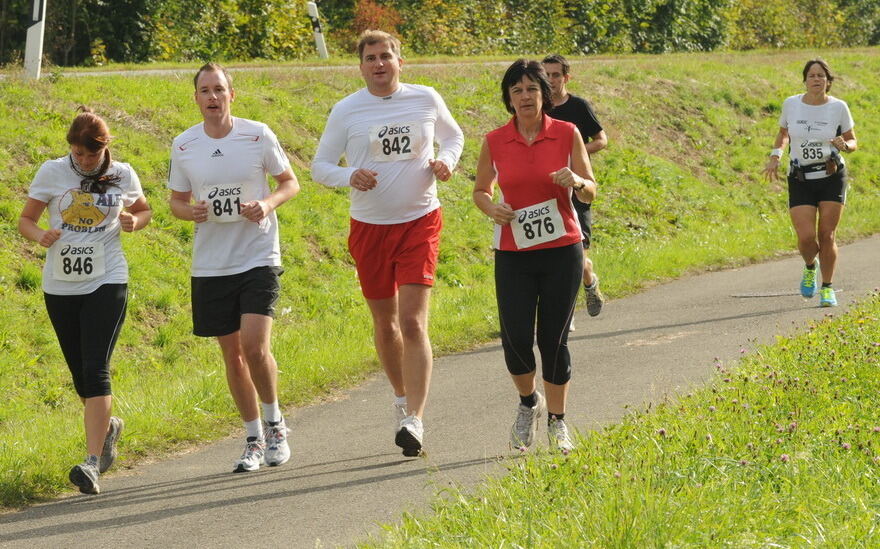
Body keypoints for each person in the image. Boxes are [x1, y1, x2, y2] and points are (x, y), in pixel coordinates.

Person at [311, 30, 464, 457]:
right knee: (386, 324)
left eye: (386, 56)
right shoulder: (346, 110)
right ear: (360, 66)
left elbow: (454, 137)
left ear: (400, 61)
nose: (379, 64)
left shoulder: (425, 98)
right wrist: (348, 175)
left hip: (420, 220)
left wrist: (445, 161)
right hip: (370, 227)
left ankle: (415, 419)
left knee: (413, 322)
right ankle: (401, 397)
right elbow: (320, 166)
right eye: (371, 58)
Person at [169, 62, 300, 472]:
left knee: (254, 345)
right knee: (232, 355)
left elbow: (290, 183)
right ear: (196, 98)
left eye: (219, 89)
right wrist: (189, 212)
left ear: (231, 95)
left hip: (258, 254)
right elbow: (175, 201)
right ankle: (253, 437)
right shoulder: (184, 145)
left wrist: (266, 204)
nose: (212, 97)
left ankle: (276, 423)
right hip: (211, 263)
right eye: (205, 90)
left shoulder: (257, 134)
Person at [18, 107, 152, 494]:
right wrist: (38, 235)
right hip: (59, 284)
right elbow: (25, 220)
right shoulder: (51, 171)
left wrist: (134, 221)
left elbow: (144, 210)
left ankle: (92, 463)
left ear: (104, 148)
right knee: (79, 375)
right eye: (78, 154)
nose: (85, 161)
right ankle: (108, 427)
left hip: (107, 279)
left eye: (91, 155)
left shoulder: (123, 173)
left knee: (96, 368)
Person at [473, 60, 597, 454]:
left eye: (532, 89)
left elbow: (591, 189)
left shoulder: (567, 133)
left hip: (562, 250)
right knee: (515, 339)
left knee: (553, 339)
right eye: (517, 90)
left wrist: (576, 181)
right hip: (513, 252)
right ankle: (529, 403)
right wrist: (491, 208)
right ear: (508, 99)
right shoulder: (495, 140)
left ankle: (559, 422)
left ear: (545, 93)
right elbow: (480, 190)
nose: (525, 97)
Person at [763, 58, 857, 307]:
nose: (816, 79)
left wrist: (844, 146)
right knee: (806, 238)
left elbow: (852, 142)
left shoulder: (838, 107)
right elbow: (784, 132)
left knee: (827, 235)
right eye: (812, 75)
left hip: (831, 177)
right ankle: (809, 266)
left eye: (821, 76)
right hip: (801, 178)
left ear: (828, 81)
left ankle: (827, 288)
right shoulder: (791, 104)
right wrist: (776, 156)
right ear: (805, 80)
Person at [542, 54, 608, 320]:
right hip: (547, 188)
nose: (551, 80)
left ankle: (590, 282)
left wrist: (575, 155)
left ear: (566, 78)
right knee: (551, 254)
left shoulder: (578, 106)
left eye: (556, 75)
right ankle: (561, 314)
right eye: (546, 74)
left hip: (578, 186)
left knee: (577, 254)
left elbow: (601, 140)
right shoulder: (538, 107)